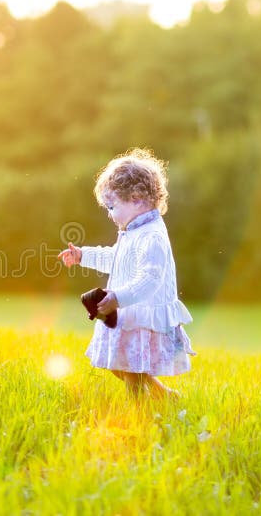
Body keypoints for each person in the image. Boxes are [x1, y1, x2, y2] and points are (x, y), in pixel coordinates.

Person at [58, 148, 196, 399]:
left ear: (136, 198)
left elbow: (150, 279)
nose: (109, 214)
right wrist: (83, 255)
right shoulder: (133, 231)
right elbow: (117, 259)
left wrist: (118, 298)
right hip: (129, 311)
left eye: (111, 206)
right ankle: (163, 395)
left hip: (142, 314)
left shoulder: (152, 235)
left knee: (130, 370)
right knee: (116, 365)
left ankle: (139, 413)